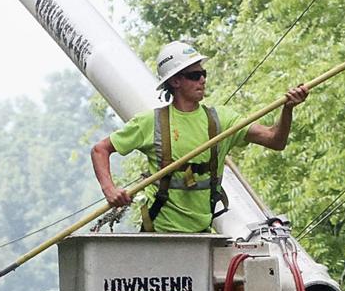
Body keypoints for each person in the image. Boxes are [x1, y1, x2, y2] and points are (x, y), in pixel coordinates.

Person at [91, 40, 308, 233]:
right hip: (159, 236)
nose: (202, 80)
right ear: (175, 81)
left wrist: (288, 109)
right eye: (194, 76)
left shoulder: (222, 120)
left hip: (202, 236)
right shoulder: (151, 123)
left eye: (203, 74)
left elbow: (275, 140)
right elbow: (100, 150)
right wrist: (110, 189)